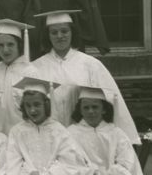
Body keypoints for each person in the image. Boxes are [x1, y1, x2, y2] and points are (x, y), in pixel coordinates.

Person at [29, 10, 139, 144]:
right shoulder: (35, 67)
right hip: (49, 138)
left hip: (85, 139)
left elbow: (111, 98)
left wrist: (124, 138)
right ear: (48, 36)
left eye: (64, 31)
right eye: (54, 32)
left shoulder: (90, 65)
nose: (60, 36)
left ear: (72, 33)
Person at [0, 19, 33, 134]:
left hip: (23, 136)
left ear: (19, 45)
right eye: (1, 45)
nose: (5, 50)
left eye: (10, 44)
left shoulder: (30, 72)